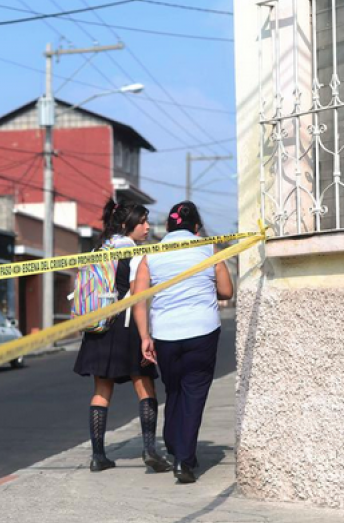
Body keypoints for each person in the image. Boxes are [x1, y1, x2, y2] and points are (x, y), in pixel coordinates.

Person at [131, 201, 234, 484]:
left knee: (174, 390)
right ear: (197, 227)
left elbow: (138, 299)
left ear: (168, 227)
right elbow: (226, 290)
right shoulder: (208, 248)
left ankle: (176, 446)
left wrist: (144, 337)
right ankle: (183, 460)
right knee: (194, 393)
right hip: (202, 330)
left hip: (165, 333)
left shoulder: (151, 255)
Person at [73, 199, 172, 474]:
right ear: (128, 224)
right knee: (145, 385)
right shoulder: (136, 253)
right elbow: (137, 298)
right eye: (142, 221)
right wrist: (145, 337)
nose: (146, 226)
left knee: (101, 390)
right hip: (126, 325)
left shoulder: (100, 249)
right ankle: (150, 449)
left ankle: (98, 456)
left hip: (99, 325)